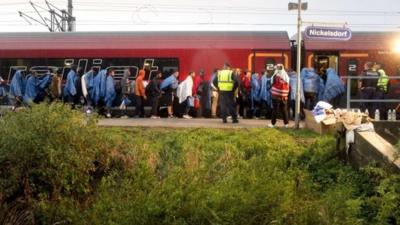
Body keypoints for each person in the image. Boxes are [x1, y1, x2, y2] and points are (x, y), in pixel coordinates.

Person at [268, 64, 290, 128]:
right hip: (284, 96)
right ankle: (286, 124)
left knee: (275, 110)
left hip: (276, 96)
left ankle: (273, 124)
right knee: (284, 110)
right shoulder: (286, 75)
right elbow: (288, 83)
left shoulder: (275, 76)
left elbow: (271, 83)